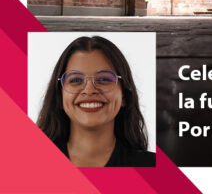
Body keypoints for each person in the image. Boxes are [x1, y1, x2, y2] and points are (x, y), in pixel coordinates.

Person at [36, 36, 155, 167]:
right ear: (59, 96)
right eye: (75, 80)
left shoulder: (151, 165)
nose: (89, 90)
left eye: (104, 79)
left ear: (124, 96)